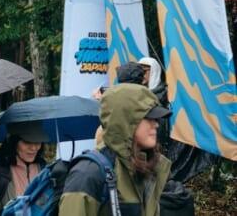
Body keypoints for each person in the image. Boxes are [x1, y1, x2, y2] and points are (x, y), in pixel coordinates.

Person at [59, 83, 172, 215]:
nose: (156, 124)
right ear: (125, 120)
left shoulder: (145, 169)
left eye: (156, 118)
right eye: (149, 118)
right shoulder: (88, 173)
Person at [0, 120, 48, 215]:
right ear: (12, 141)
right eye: (27, 142)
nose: (33, 148)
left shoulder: (45, 170)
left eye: (37, 142)